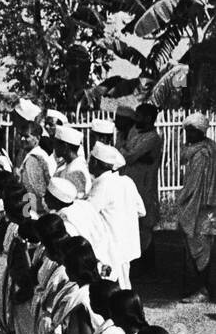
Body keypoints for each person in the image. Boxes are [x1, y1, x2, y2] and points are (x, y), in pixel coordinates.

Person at [86, 143, 145, 287]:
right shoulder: (127, 182)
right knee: (124, 284)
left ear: (95, 162)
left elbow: (88, 212)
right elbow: (141, 210)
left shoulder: (103, 185)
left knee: (110, 286)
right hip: (125, 246)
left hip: (109, 248)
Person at [176, 113, 216, 302]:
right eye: (187, 131)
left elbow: (193, 185)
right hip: (205, 206)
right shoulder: (207, 147)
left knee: (200, 247)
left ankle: (203, 290)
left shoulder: (202, 154)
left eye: (192, 132)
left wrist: (181, 200)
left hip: (201, 207)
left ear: (200, 131)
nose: (188, 136)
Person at [121, 104, 162, 273]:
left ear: (147, 118)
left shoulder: (152, 138)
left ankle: (147, 265)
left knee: (145, 225)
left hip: (144, 186)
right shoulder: (134, 132)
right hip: (132, 183)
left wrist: (126, 152)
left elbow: (129, 157)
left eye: (138, 116)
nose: (134, 119)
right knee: (132, 224)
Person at [52, 125, 91, 199]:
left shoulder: (76, 170)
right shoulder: (67, 164)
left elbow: (75, 200)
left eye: (56, 143)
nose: (54, 147)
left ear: (65, 146)